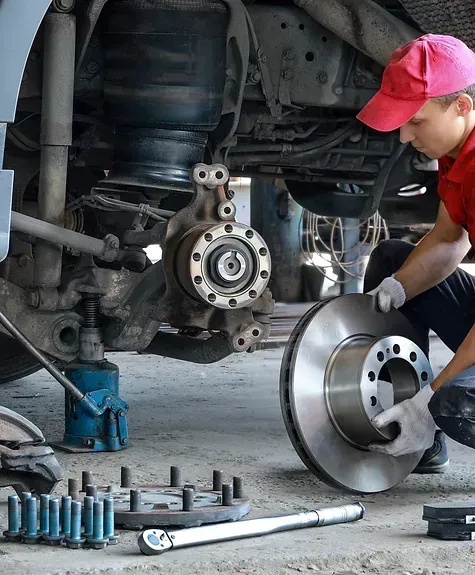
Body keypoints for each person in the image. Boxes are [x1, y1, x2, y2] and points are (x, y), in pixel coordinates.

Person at [356, 33, 475, 473]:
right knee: (392, 261)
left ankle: (425, 416)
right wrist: (398, 289)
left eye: (416, 121)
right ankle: (408, 431)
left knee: (455, 403)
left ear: (460, 106)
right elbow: (448, 239)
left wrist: (430, 400)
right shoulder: (459, 149)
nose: (405, 135)